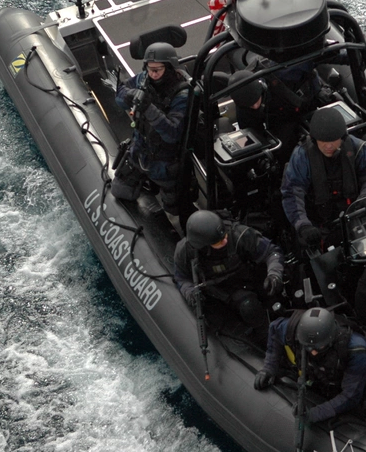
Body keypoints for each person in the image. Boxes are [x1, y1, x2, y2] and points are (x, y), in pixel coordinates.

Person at [253, 307, 366, 430]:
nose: (313, 352)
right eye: (309, 347)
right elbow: (275, 329)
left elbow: (351, 396)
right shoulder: (295, 329)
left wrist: (314, 414)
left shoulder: (356, 350)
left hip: (360, 380)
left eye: (318, 348)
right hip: (321, 375)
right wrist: (269, 368)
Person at [280, 107, 366, 251]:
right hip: (316, 221)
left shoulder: (358, 149)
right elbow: (292, 192)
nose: (329, 146)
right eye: (323, 141)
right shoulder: (301, 157)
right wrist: (303, 225)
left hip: (354, 212)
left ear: (342, 137)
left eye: (333, 140)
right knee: (311, 252)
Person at [174, 210, 284, 338]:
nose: (225, 241)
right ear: (203, 245)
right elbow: (181, 278)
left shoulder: (239, 235)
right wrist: (190, 292)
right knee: (239, 310)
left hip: (250, 280)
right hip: (222, 292)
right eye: (218, 242)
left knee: (253, 305)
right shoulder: (185, 252)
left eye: (224, 236)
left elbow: (272, 252)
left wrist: (274, 274)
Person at [112, 42, 190, 219]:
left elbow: (172, 133)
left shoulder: (181, 94)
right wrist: (129, 96)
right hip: (139, 152)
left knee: (176, 214)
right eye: (150, 69)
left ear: (169, 67)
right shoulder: (143, 79)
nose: (153, 74)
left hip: (164, 162)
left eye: (158, 70)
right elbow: (120, 94)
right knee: (119, 190)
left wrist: (148, 107)